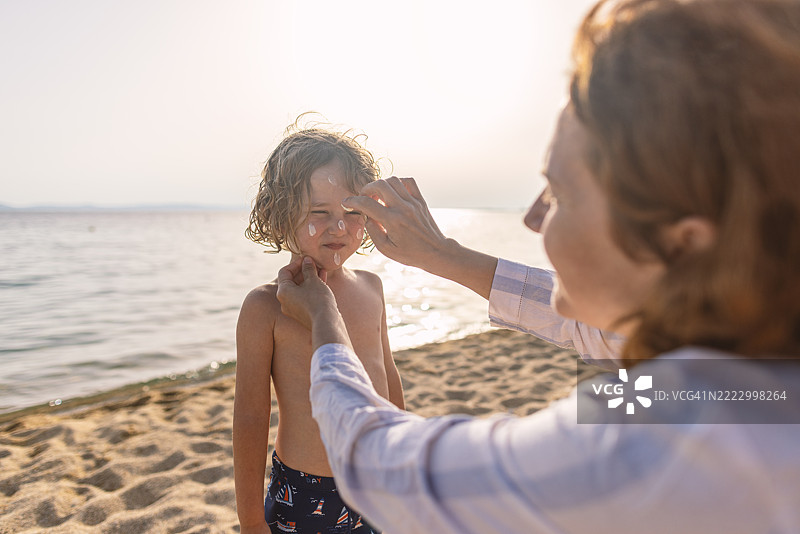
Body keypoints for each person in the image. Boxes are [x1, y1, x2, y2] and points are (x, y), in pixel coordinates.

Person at [274, 0, 800, 532]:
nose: (531, 217)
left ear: (680, 245)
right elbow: (596, 332)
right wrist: (443, 255)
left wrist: (324, 322)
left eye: (560, 193)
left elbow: (381, 465)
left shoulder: (654, 445)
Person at [233, 123, 404, 534]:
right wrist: (252, 519)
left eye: (352, 212)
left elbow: (388, 380)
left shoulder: (371, 289)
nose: (339, 227)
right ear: (280, 216)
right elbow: (252, 416)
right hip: (304, 492)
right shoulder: (264, 307)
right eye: (319, 212)